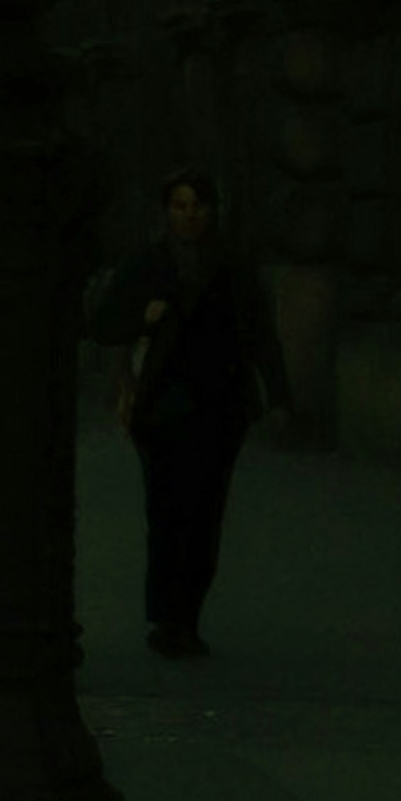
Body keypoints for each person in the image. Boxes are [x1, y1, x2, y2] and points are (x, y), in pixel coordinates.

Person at [116, 170, 289, 655]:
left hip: (219, 406)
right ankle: (167, 616)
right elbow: (106, 319)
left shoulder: (232, 268)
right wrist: (141, 317)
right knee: (167, 513)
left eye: (197, 205)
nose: (189, 215)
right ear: (167, 212)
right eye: (180, 205)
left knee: (205, 515)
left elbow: (259, 333)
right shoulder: (149, 265)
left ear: (212, 211)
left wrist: (278, 396)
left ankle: (185, 616)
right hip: (160, 409)